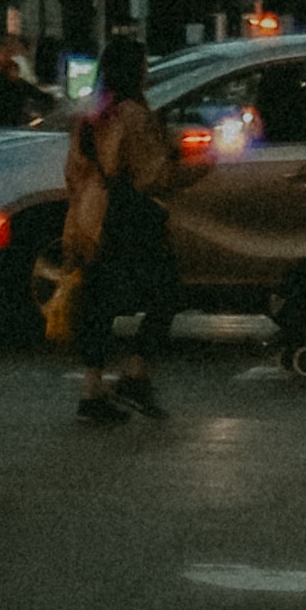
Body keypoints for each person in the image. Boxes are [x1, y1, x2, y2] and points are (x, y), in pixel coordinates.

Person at [65, 33, 180, 424]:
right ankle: (135, 374)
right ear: (136, 71)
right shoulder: (133, 115)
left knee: (98, 302)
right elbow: (153, 175)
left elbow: (74, 171)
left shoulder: (92, 113)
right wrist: (202, 162)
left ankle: (92, 391)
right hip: (129, 215)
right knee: (165, 291)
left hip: (92, 215)